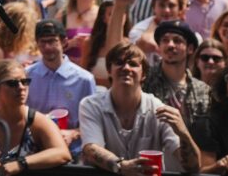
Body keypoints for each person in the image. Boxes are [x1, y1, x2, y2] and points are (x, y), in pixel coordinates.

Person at [79, 42, 202, 173]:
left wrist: (183, 133)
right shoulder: (91, 105)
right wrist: (121, 166)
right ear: (109, 71)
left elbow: (193, 167)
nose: (126, 68)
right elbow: (91, 149)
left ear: (144, 74)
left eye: (133, 64)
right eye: (119, 63)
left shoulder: (158, 109)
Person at [25, 19, 95, 155]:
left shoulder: (84, 79)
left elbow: (93, 122)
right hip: (35, 151)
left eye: (52, 41)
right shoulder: (26, 76)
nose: (47, 47)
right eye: (42, 42)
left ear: (64, 42)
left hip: (72, 152)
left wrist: (73, 133)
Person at [143, 19, 211, 128]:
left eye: (177, 41)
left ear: (190, 49)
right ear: (159, 47)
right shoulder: (144, 81)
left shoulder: (202, 90)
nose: (170, 45)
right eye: (165, 40)